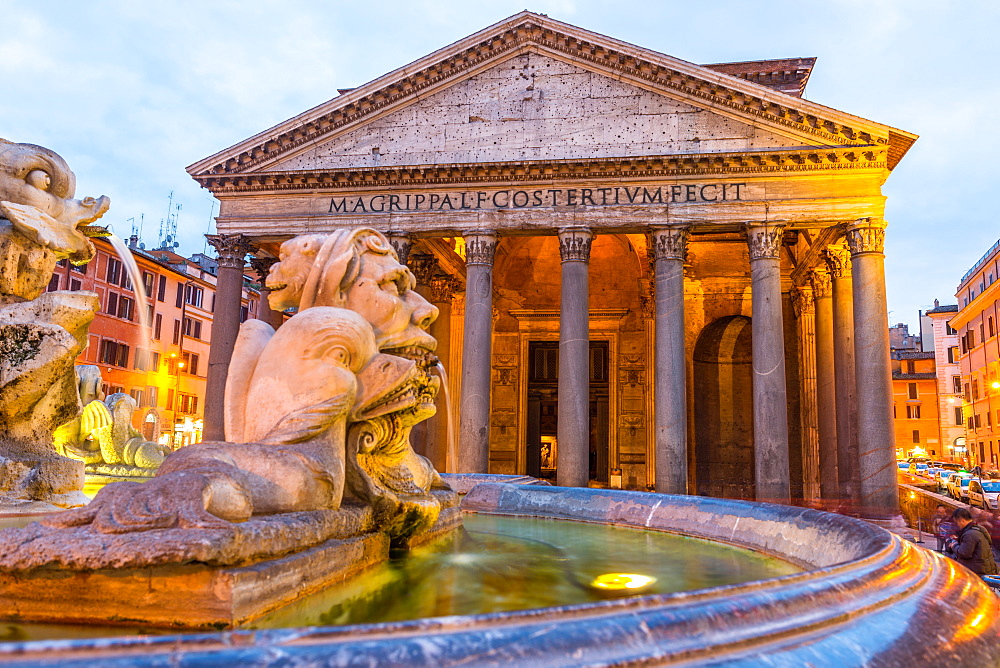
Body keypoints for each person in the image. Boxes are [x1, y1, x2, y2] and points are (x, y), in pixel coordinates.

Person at [945, 507, 999, 576]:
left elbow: (964, 553)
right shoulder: (979, 528)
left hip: (978, 572)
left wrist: (954, 545)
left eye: (957, 522)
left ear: (962, 520)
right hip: (985, 568)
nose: (957, 525)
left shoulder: (970, 534)